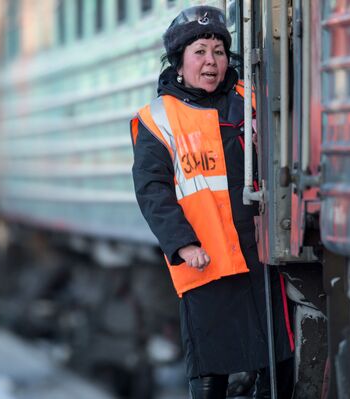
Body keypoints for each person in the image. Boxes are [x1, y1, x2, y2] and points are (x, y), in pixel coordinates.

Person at [130, 6, 294, 399]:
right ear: (180, 62)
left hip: (259, 254)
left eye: (219, 51)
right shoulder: (158, 119)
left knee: (276, 360)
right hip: (205, 258)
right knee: (211, 368)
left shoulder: (250, 98)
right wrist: (183, 244)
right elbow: (152, 189)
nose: (211, 61)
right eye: (200, 51)